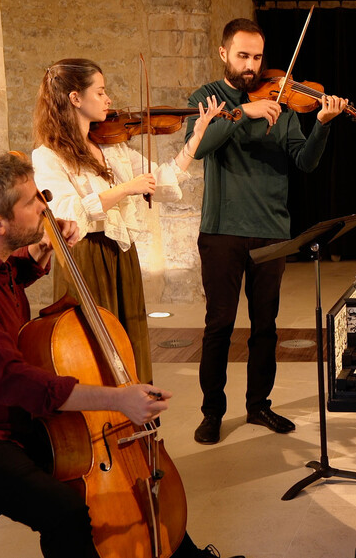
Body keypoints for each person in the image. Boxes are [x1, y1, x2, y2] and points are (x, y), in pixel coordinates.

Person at [0, 152, 238, 558]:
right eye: (31, 202)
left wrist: (37, 255)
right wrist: (116, 398)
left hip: (7, 416)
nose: (44, 205)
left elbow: (4, 283)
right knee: (66, 510)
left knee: (137, 471)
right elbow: (11, 379)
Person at [187, 18, 347, 444]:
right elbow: (200, 146)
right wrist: (243, 112)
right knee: (219, 324)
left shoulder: (283, 97)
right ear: (224, 53)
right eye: (243, 55)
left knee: (265, 326)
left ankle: (258, 405)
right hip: (221, 231)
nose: (252, 65)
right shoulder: (208, 97)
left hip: (272, 230)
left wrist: (323, 126)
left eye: (257, 57)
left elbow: (306, 162)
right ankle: (211, 412)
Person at [31, 58, 225, 385]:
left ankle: (137, 425)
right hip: (84, 257)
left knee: (128, 338)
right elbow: (67, 211)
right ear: (75, 98)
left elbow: (161, 179)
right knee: (93, 346)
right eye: (101, 92)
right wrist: (126, 189)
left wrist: (197, 136)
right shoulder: (48, 155)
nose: (109, 100)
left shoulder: (113, 147)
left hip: (122, 253)